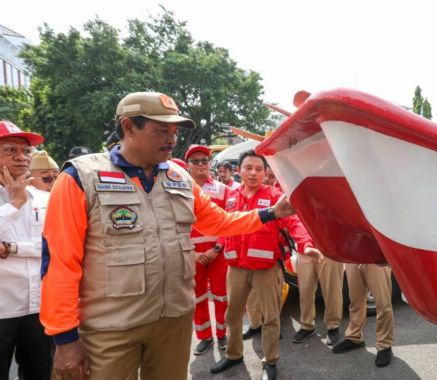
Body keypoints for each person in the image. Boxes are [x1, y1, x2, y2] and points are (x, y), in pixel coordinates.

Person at [39, 92, 295, 380]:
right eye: (161, 130)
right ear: (128, 126)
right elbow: (60, 263)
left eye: (174, 131)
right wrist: (63, 338)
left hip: (173, 322)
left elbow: (219, 222)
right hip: (110, 329)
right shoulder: (81, 178)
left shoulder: (180, 177)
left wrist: (271, 212)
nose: (172, 139)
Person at [210, 150, 321, 380]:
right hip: (237, 268)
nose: (253, 173)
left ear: (265, 172)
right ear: (238, 171)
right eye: (248, 168)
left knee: (271, 317)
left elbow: (294, 222)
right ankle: (233, 355)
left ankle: (270, 362)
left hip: (266, 269)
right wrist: (218, 246)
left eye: (259, 169)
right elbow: (223, 225)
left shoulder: (275, 196)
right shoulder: (230, 196)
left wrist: (306, 243)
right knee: (232, 315)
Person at [0, 120, 53, 380]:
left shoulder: (46, 199)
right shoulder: (24, 199)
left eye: (26, 151)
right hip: (2, 308)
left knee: (40, 374)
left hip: (39, 307)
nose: (21, 158)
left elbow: (54, 247)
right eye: (10, 150)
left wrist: (10, 248)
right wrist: (15, 203)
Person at [184, 144, 230, 355]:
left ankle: (222, 334)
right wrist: (193, 253)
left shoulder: (223, 189)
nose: (201, 164)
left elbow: (229, 222)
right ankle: (204, 337)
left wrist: (217, 247)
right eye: (196, 161)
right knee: (198, 297)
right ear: (188, 165)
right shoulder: (180, 190)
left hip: (218, 253)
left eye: (205, 161)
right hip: (192, 255)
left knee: (221, 296)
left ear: (210, 164)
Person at [332, 264, 395, 368]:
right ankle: (354, 337)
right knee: (355, 301)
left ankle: (385, 345)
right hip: (352, 257)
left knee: (383, 304)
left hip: (375, 259)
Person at [293, 245, 343, 345]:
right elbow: (297, 228)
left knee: (332, 292)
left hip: (329, 250)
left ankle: (333, 325)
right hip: (304, 251)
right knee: (305, 292)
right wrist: (305, 243)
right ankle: (307, 326)